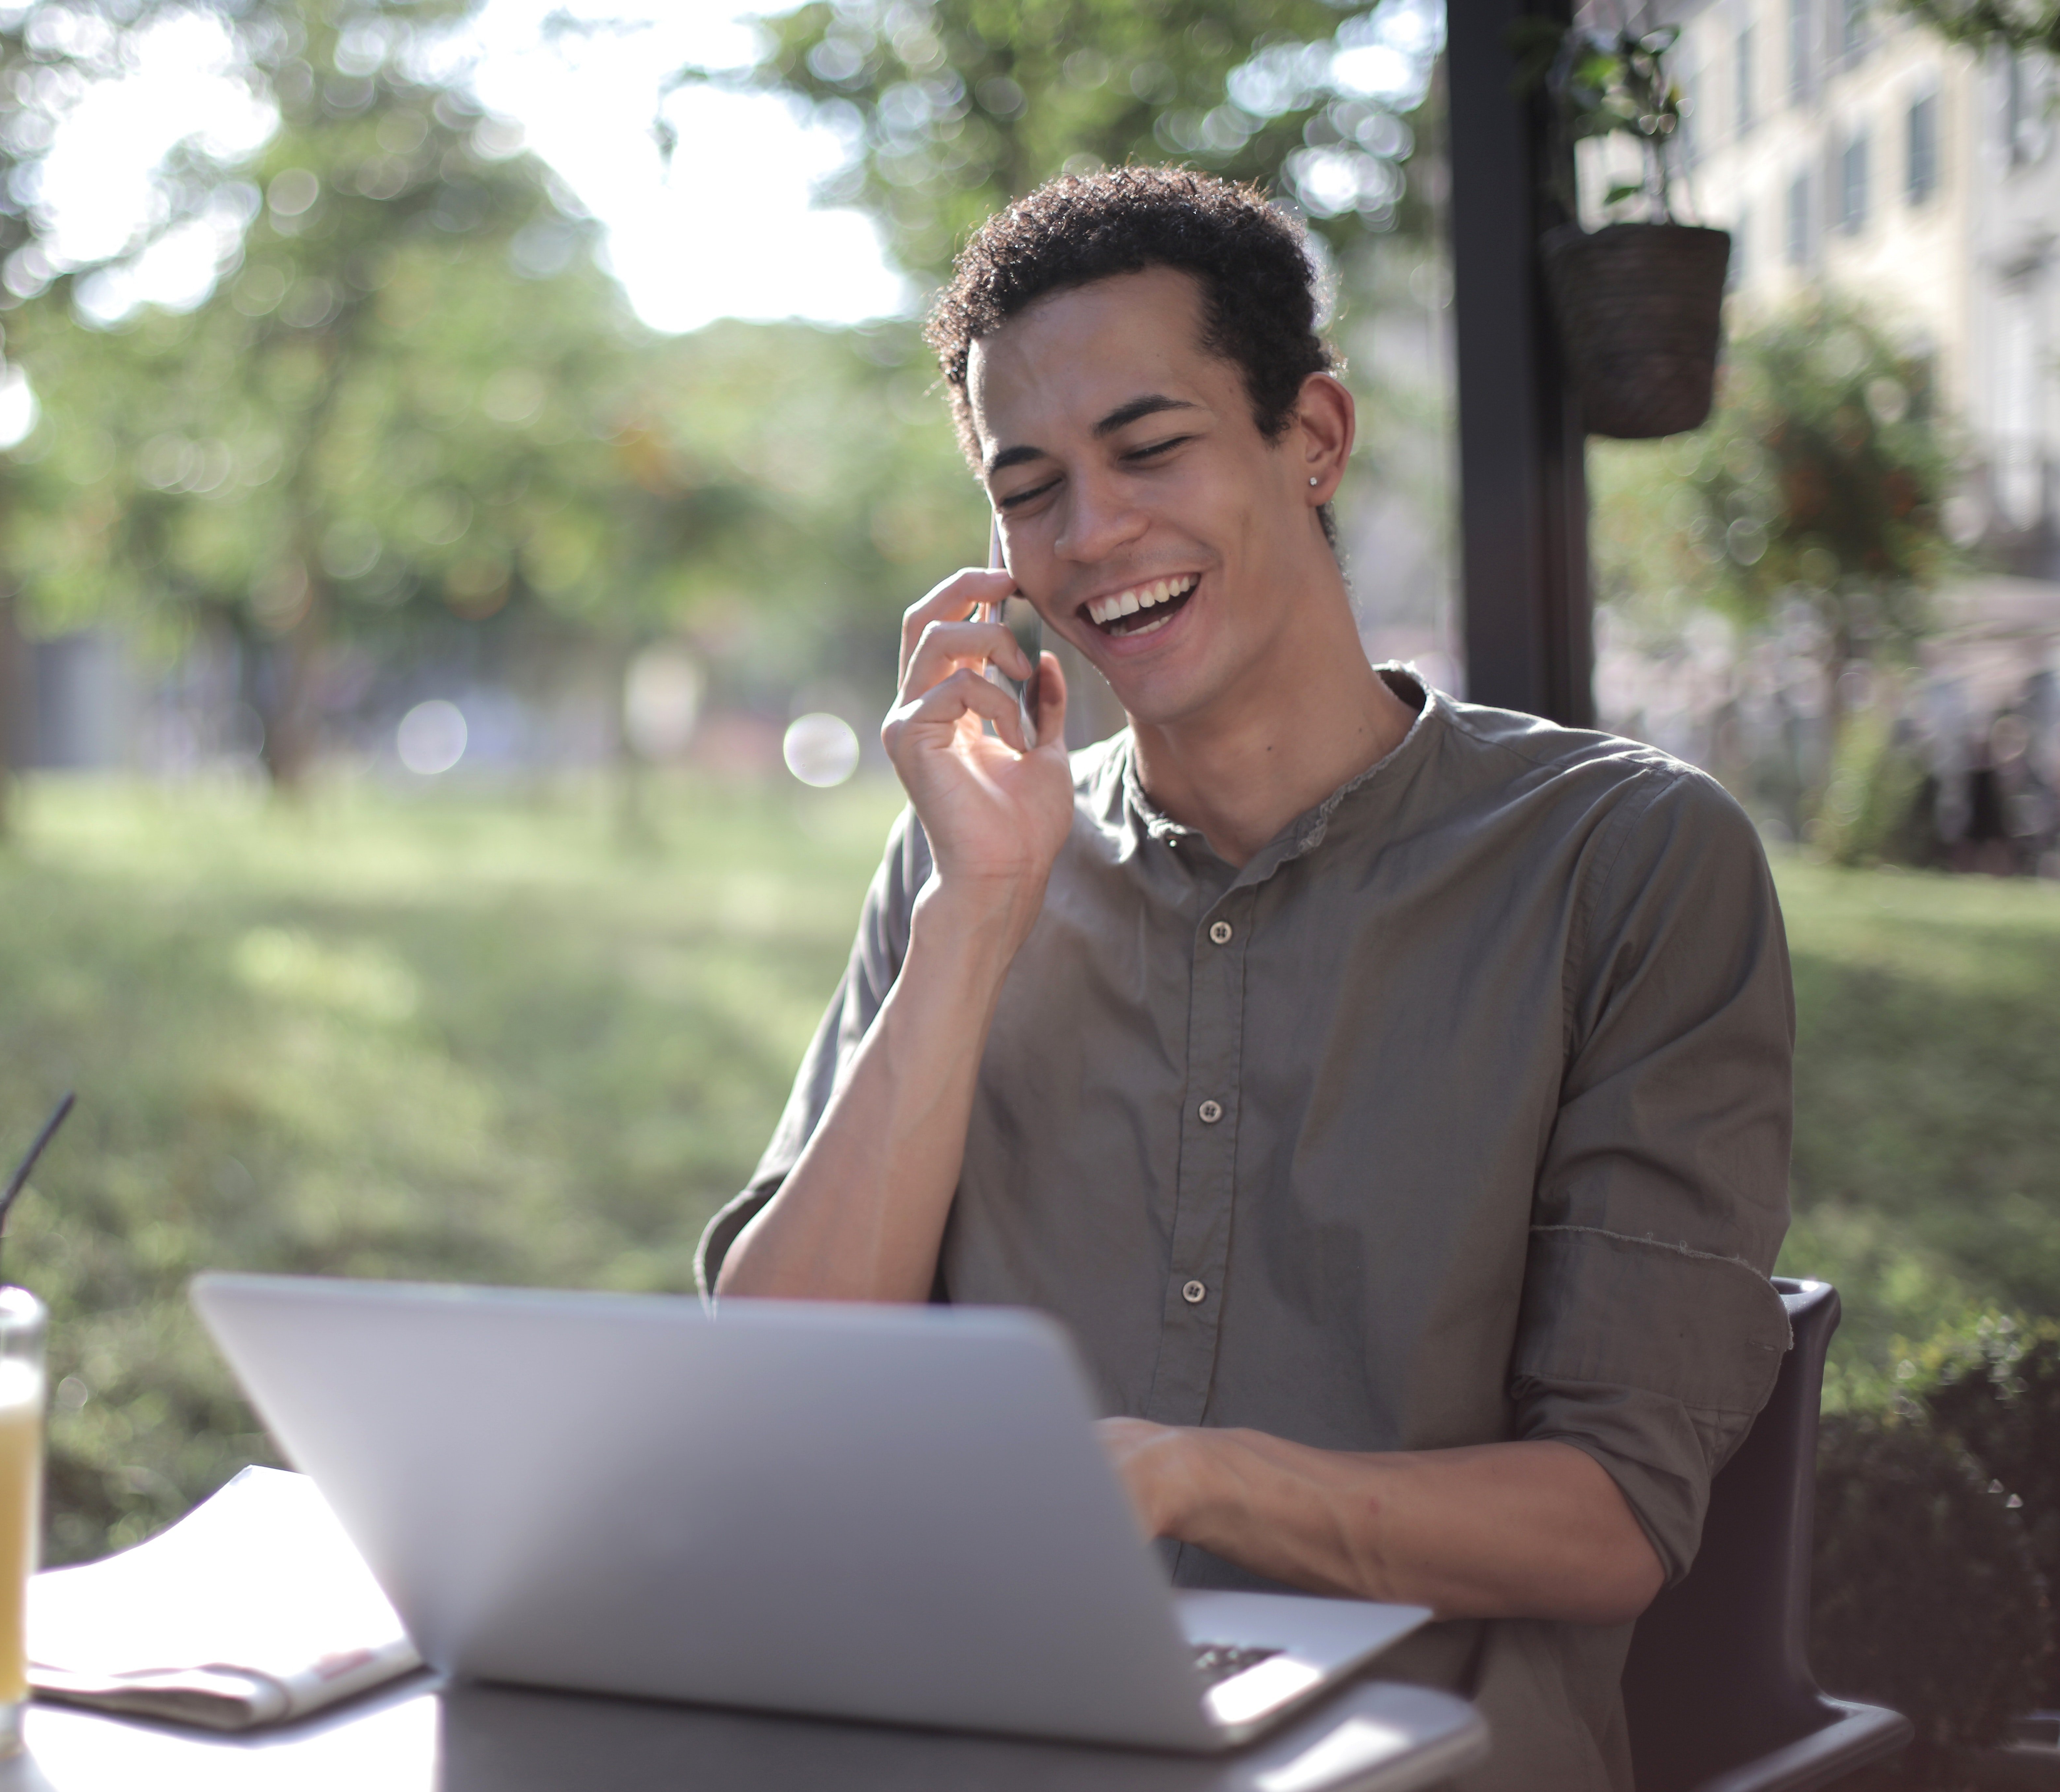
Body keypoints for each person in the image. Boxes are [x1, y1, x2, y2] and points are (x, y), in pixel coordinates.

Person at [697, 167, 1794, 1792]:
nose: (1092, 535)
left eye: (1149, 449)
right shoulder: (970, 860)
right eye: (1028, 487)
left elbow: (1612, 1520)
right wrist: (976, 912)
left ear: (1314, 438)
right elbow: (777, 1393)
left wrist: (1185, 1481)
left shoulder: (1624, 863)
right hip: (974, 1734)